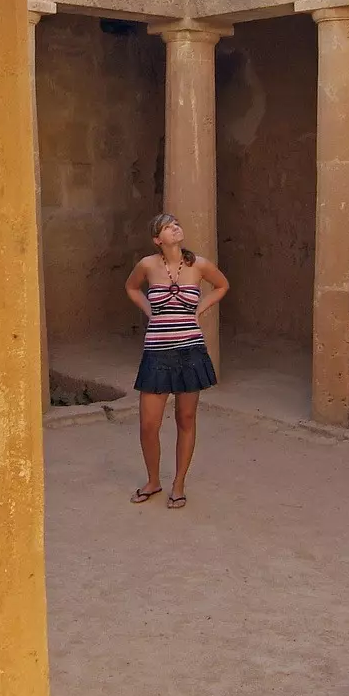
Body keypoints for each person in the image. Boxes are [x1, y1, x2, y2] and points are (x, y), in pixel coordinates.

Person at [124, 213, 229, 508]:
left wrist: (199, 311)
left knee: (185, 419)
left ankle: (178, 484)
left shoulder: (200, 265)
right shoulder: (147, 265)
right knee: (148, 424)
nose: (175, 228)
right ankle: (153, 480)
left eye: (176, 225)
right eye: (168, 227)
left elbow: (222, 286)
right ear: (158, 239)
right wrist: (150, 311)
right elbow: (131, 287)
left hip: (190, 351)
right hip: (156, 352)